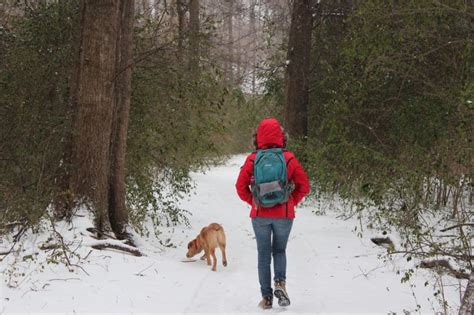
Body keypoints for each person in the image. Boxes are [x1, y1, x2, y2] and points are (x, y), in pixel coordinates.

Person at [235, 118, 310, 309]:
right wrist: (290, 201)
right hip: (284, 215)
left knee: (263, 255)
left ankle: (267, 298)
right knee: (279, 250)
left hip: (260, 215)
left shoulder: (253, 159)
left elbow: (240, 186)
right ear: (282, 137)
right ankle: (280, 283)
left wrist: (254, 202)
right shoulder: (289, 158)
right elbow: (304, 186)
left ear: (257, 138)